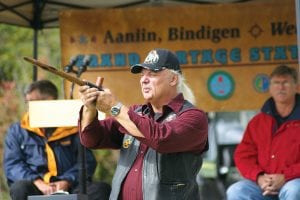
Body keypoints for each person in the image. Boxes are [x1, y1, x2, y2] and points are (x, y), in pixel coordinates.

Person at [78, 48, 209, 200]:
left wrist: (115, 108)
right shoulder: (135, 113)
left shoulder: (194, 117)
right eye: (142, 75)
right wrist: (90, 108)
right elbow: (91, 139)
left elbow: (161, 139)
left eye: (152, 74)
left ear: (173, 79)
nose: (143, 80)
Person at [3, 80, 111, 200]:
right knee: (19, 188)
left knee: (101, 189)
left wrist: (67, 181)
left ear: (51, 101)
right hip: (36, 186)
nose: (29, 107)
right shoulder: (17, 131)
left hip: (70, 186)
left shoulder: (71, 127)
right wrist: (38, 182)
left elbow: (87, 162)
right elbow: (13, 165)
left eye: (33, 103)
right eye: (27, 102)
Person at [226, 65, 300, 200]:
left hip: (294, 181)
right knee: (236, 191)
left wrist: (286, 176)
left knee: (293, 190)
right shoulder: (258, 121)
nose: (281, 87)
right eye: (276, 83)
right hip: (264, 184)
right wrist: (259, 177)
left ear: (296, 86)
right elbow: (243, 156)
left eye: (285, 82)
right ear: (270, 88)